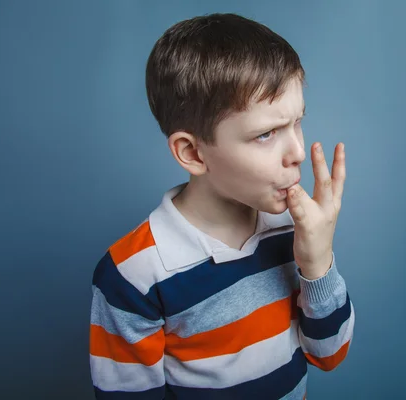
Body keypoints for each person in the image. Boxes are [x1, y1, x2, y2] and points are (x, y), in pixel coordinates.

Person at [89, 12, 355, 400]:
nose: (297, 151)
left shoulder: (292, 226)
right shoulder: (133, 275)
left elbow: (330, 354)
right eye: (266, 134)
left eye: (297, 122)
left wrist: (318, 262)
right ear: (193, 152)